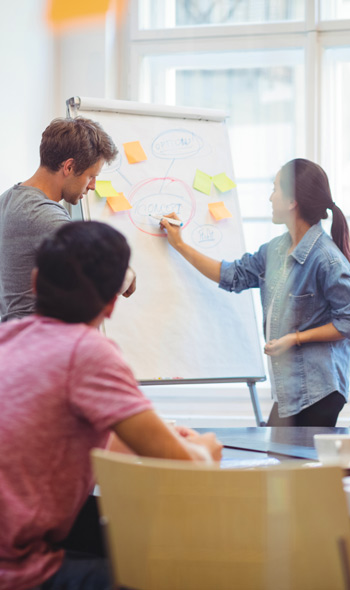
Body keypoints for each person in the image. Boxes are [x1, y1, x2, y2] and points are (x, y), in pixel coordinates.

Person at [0, 221, 222, 590]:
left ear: (36, 282)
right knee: (185, 572)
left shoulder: (9, 338)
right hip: (19, 572)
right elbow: (185, 464)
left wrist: (158, 436)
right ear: (112, 304)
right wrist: (202, 452)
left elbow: (72, 433)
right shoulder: (87, 351)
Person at [160, 158, 350, 426]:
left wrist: (295, 338)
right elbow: (231, 275)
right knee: (279, 459)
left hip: (320, 390)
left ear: (292, 200)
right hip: (291, 390)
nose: (270, 198)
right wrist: (180, 245)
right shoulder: (275, 250)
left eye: (275, 189)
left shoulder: (326, 259)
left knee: (293, 463)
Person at [0, 116, 135, 323]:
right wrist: (128, 273)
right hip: (41, 344)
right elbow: (104, 277)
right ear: (69, 167)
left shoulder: (8, 199)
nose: (92, 186)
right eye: (91, 176)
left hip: (15, 340)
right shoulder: (44, 215)